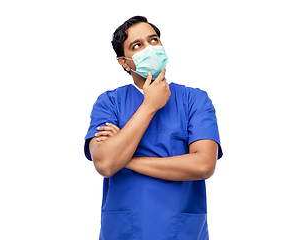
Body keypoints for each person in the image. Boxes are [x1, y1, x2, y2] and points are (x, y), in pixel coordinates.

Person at [84, 16, 223, 240]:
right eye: (137, 46)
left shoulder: (194, 100)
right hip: (125, 231)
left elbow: (204, 164)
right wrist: (150, 105)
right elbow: (105, 163)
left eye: (154, 40)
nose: (149, 48)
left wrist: (124, 159)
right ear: (124, 62)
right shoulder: (109, 103)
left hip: (180, 231)